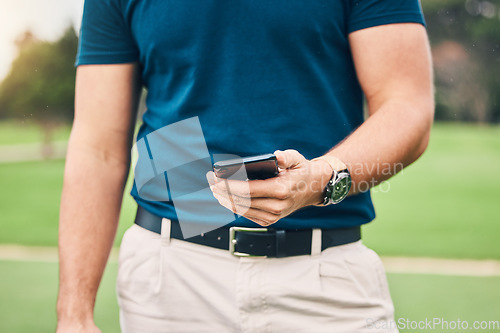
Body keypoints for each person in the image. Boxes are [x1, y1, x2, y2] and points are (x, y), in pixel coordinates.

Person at [57, 0, 434, 332]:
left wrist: (320, 178)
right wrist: (73, 315)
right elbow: (98, 146)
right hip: (170, 276)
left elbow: (407, 105)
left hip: (324, 271)